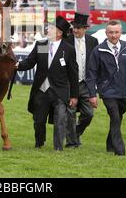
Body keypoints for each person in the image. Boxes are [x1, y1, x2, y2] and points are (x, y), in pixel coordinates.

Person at [16, 16, 78, 151]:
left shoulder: (68, 49)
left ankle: (58, 147)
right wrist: (17, 65)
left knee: (60, 120)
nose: (47, 30)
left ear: (59, 32)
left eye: (51, 28)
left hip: (60, 91)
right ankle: (39, 142)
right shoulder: (42, 45)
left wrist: (74, 95)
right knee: (38, 120)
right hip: (42, 90)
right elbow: (30, 62)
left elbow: (73, 74)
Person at [87, 20, 126, 156]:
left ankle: (110, 144)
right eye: (111, 32)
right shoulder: (98, 50)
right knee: (115, 117)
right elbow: (91, 74)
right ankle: (120, 151)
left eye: (116, 32)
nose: (113, 35)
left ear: (121, 33)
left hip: (124, 90)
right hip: (107, 91)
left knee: (117, 117)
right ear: (106, 33)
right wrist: (92, 94)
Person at [65, 13, 99, 148]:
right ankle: (71, 142)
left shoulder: (93, 41)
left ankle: (76, 133)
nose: (75, 30)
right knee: (70, 113)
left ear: (85, 28)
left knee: (89, 114)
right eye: (74, 27)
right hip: (69, 83)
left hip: (86, 83)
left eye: (78, 28)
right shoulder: (66, 40)